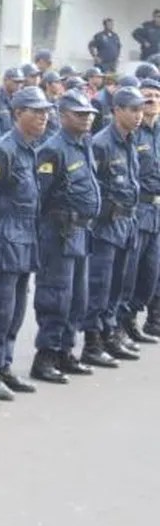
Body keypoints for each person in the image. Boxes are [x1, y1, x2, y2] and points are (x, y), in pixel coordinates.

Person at [0, 86, 52, 400]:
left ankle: (4, 365)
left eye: (46, 112)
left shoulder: (32, 148)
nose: (44, 117)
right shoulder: (2, 151)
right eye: (36, 112)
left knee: (17, 310)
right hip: (5, 239)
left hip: (25, 239)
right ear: (18, 113)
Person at [31, 89, 102, 382]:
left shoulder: (83, 144)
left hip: (81, 232)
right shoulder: (53, 148)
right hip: (59, 232)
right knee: (55, 297)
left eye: (89, 114)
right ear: (63, 116)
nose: (86, 119)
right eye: (79, 114)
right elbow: (41, 196)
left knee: (77, 298)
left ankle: (65, 351)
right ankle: (46, 356)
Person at [84, 86, 146, 364]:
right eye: (132, 109)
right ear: (116, 110)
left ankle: (110, 334)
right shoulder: (101, 143)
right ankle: (92, 343)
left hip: (127, 223)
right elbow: (93, 187)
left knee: (120, 285)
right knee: (100, 286)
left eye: (140, 110)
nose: (138, 115)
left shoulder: (130, 140)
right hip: (106, 226)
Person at [124, 79, 160, 340]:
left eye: (157, 96)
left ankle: (143, 318)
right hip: (139, 208)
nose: (153, 101)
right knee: (132, 270)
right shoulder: (132, 133)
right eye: (147, 97)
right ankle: (124, 322)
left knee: (152, 271)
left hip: (158, 211)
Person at [0, 67, 25, 133]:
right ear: (5, 80)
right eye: (16, 82)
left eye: (21, 82)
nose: (19, 85)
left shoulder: (19, 98)